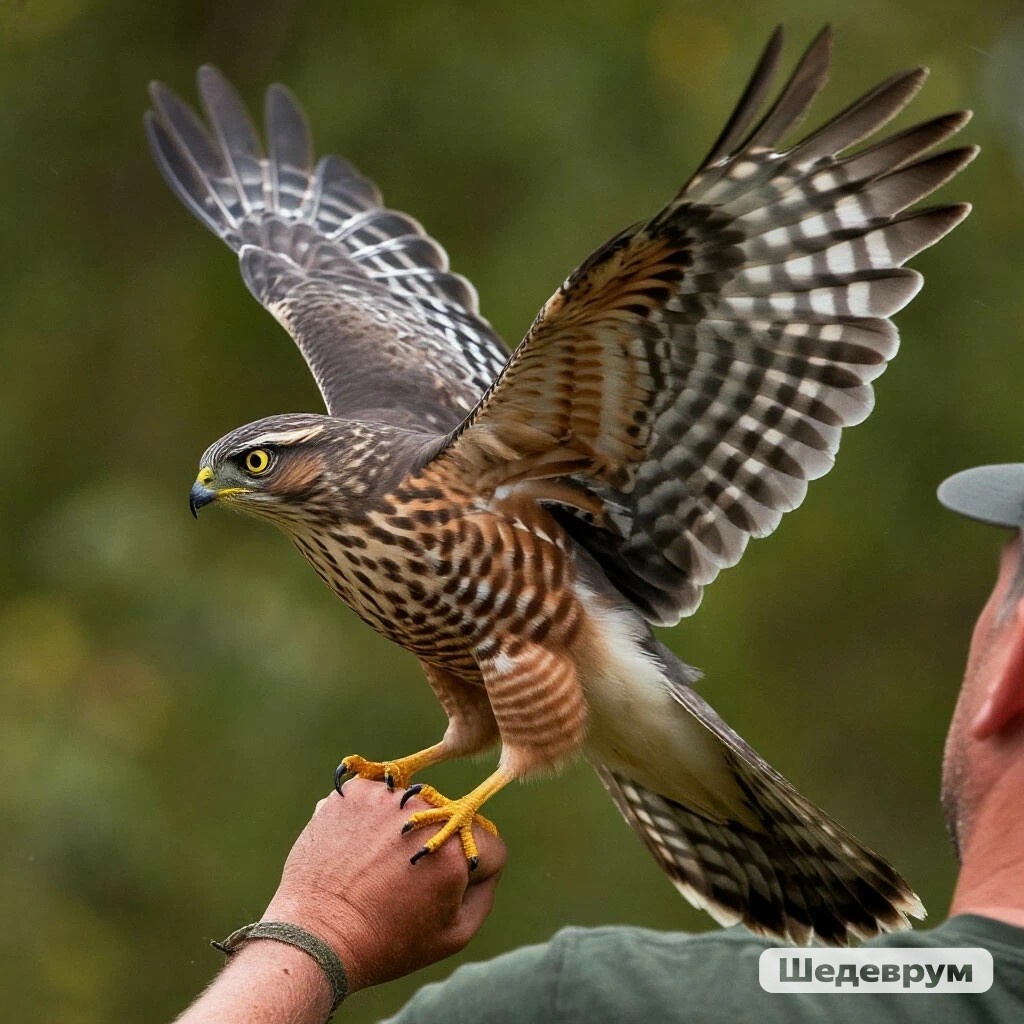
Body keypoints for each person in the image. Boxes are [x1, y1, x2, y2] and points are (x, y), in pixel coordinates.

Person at [175, 463, 1024, 1023]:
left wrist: (325, 927)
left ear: (1013, 666)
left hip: (588, 650)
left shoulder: (575, 1007)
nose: (216, 486)